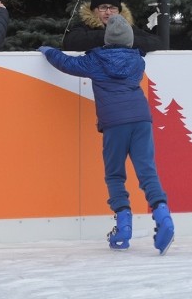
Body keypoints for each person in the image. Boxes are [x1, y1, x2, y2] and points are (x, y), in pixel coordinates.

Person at [39, 14, 174, 254]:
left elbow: (66, 64)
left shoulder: (95, 60)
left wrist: (49, 51)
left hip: (115, 123)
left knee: (114, 175)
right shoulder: (138, 61)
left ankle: (123, 225)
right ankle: (163, 215)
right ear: (130, 41)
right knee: (147, 171)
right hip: (141, 118)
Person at [63, 0, 162, 53]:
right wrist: (108, 36)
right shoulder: (84, 27)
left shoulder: (128, 28)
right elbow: (70, 42)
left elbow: (157, 42)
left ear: (119, 11)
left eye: (113, 8)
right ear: (94, 10)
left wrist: (126, 39)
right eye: (103, 7)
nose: (108, 12)